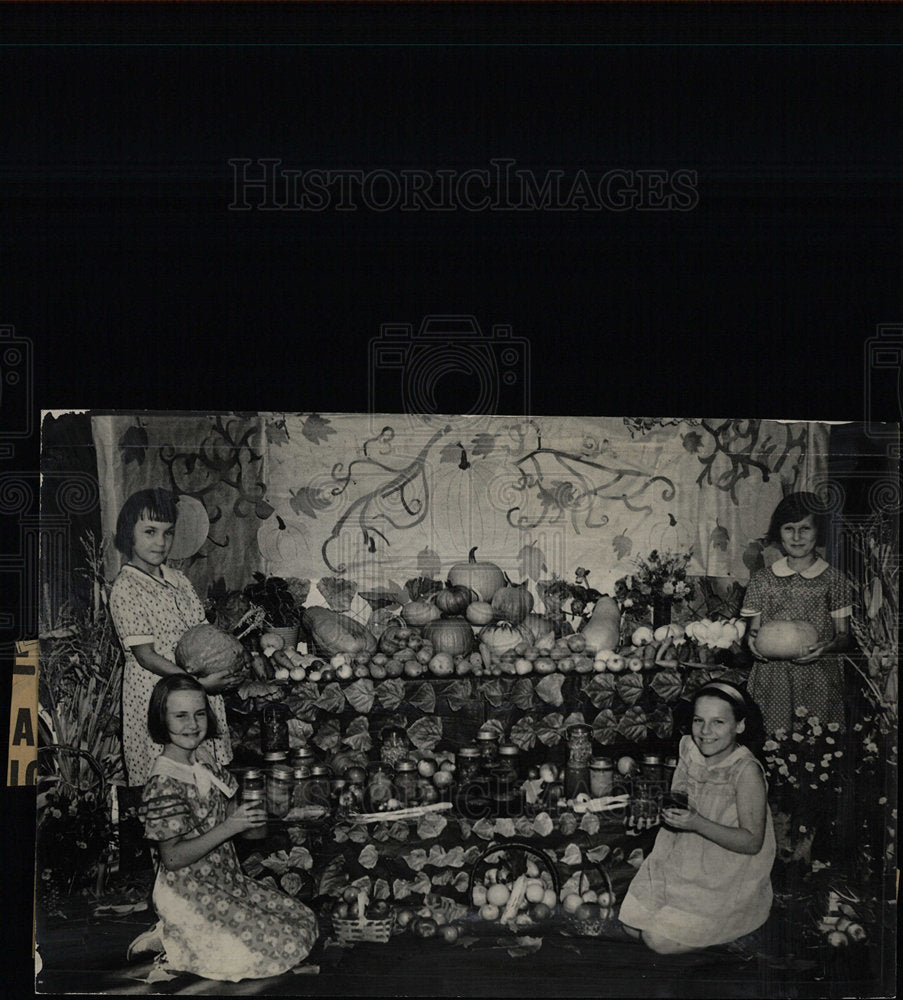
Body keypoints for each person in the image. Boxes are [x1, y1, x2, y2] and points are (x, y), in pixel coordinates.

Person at [135, 674, 317, 980]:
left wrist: (263, 791)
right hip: (189, 893)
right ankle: (176, 938)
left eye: (199, 714)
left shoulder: (202, 760)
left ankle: (179, 936)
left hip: (226, 881)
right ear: (160, 720)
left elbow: (229, 805)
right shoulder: (164, 782)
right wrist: (231, 826)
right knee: (278, 943)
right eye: (180, 716)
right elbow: (172, 858)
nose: (192, 724)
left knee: (302, 919)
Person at [618, 682, 775, 954]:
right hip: (687, 860)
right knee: (630, 925)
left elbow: (752, 843)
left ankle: (734, 933)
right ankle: (701, 928)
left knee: (655, 940)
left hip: (727, 872)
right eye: (698, 720)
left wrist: (696, 823)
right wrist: (659, 815)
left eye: (718, 722)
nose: (705, 732)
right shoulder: (690, 749)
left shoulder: (746, 771)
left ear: (739, 725)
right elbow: (683, 800)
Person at [109, 488, 234, 790]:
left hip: (194, 685)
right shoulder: (125, 588)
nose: (160, 542)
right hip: (158, 692)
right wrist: (198, 683)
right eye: (150, 532)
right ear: (129, 533)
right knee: (169, 778)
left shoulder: (178, 579)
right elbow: (146, 656)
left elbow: (203, 633)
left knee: (205, 775)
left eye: (167, 533)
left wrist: (226, 659)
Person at [742, 492, 852, 737]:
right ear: (779, 533)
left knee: (816, 750)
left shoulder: (834, 580)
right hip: (773, 680)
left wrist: (827, 647)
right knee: (770, 743)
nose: (796, 537)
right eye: (789, 528)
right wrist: (752, 641)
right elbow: (754, 631)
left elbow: (844, 636)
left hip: (819, 677)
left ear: (818, 531)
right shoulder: (762, 579)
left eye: (805, 528)